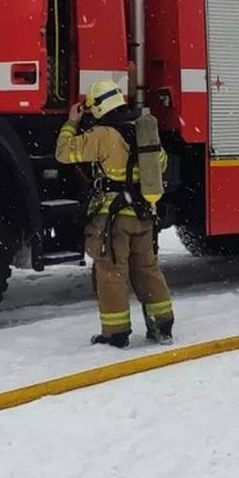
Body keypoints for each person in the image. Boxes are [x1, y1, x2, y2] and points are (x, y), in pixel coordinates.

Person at [55, 80, 174, 348]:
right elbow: (162, 163)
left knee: (111, 271)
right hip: (142, 213)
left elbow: (63, 153)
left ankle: (116, 333)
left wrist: (72, 123)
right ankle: (163, 325)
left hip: (112, 218)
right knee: (147, 268)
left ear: (98, 107)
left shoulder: (102, 135)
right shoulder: (142, 130)